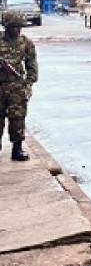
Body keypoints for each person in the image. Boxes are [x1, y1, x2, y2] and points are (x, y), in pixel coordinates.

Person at [0, 12, 38, 161]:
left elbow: (32, 64)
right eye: (14, 27)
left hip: (17, 86)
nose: (17, 30)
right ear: (7, 26)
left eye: (19, 27)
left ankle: (17, 148)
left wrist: (29, 83)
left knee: (18, 118)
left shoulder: (26, 42)